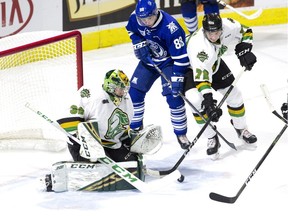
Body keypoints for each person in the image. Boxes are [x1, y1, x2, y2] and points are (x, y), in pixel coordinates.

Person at [42, 69, 162, 192]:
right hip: (83, 145)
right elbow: (66, 120)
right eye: (120, 89)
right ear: (110, 86)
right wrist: (86, 140)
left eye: (126, 89)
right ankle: (56, 179)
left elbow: (124, 127)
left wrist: (131, 138)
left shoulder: (126, 99)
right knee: (96, 171)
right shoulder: (89, 94)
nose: (124, 92)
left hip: (111, 144)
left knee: (132, 165)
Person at [184, 13, 257, 159]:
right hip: (191, 69)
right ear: (204, 30)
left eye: (217, 32)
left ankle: (241, 128)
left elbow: (246, 31)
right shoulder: (199, 46)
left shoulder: (228, 25)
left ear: (221, 28)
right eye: (210, 33)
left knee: (234, 95)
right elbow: (202, 79)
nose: (213, 36)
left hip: (215, 64)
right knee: (196, 101)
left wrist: (245, 48)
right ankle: (212, 137)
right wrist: (209, 101)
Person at [126, 0, 191, 149]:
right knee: (134, 93)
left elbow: (181, 58)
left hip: (168, 63)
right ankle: (135, 129)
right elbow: (132, 31)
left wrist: (177, 78)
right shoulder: (136, 17)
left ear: (156, 12)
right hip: (148, 62)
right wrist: (138, 42)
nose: (146, 22)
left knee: (174, 97)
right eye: (143, 19)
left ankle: (181, 133)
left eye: (149, 18)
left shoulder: (171, 28)